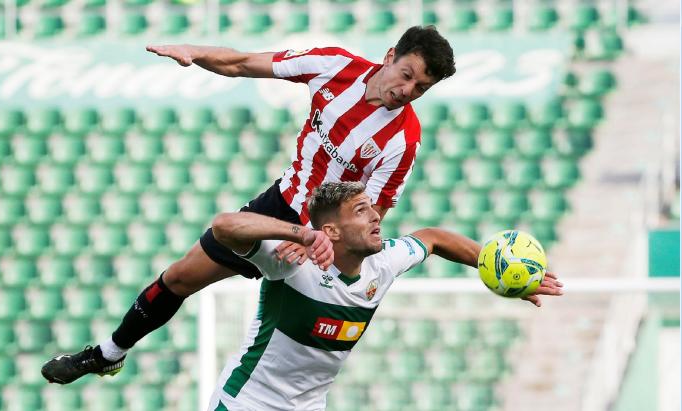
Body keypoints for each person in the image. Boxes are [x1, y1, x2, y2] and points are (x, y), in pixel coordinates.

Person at [41, 25, 457, 384]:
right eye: (406, 75)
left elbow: (375, 212)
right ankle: (108, 355)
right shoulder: (333, 66)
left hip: (324, 241)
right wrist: (196, 53)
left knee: (288, 346)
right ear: (390, 56)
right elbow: (241, 63)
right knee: (181, 277)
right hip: (277, 208)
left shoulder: (403, 140)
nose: (407, 91)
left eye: (421, 88)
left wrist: (322, 242)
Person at [203, 181, 563, 410]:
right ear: (332, 231)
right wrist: (302, 235)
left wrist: (494, 266)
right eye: (361, 211)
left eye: (372, 207)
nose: (376, 215)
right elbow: (223, 226)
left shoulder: (383, 263)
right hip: (247, 402)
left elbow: (434, 238)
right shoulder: (294, 263)